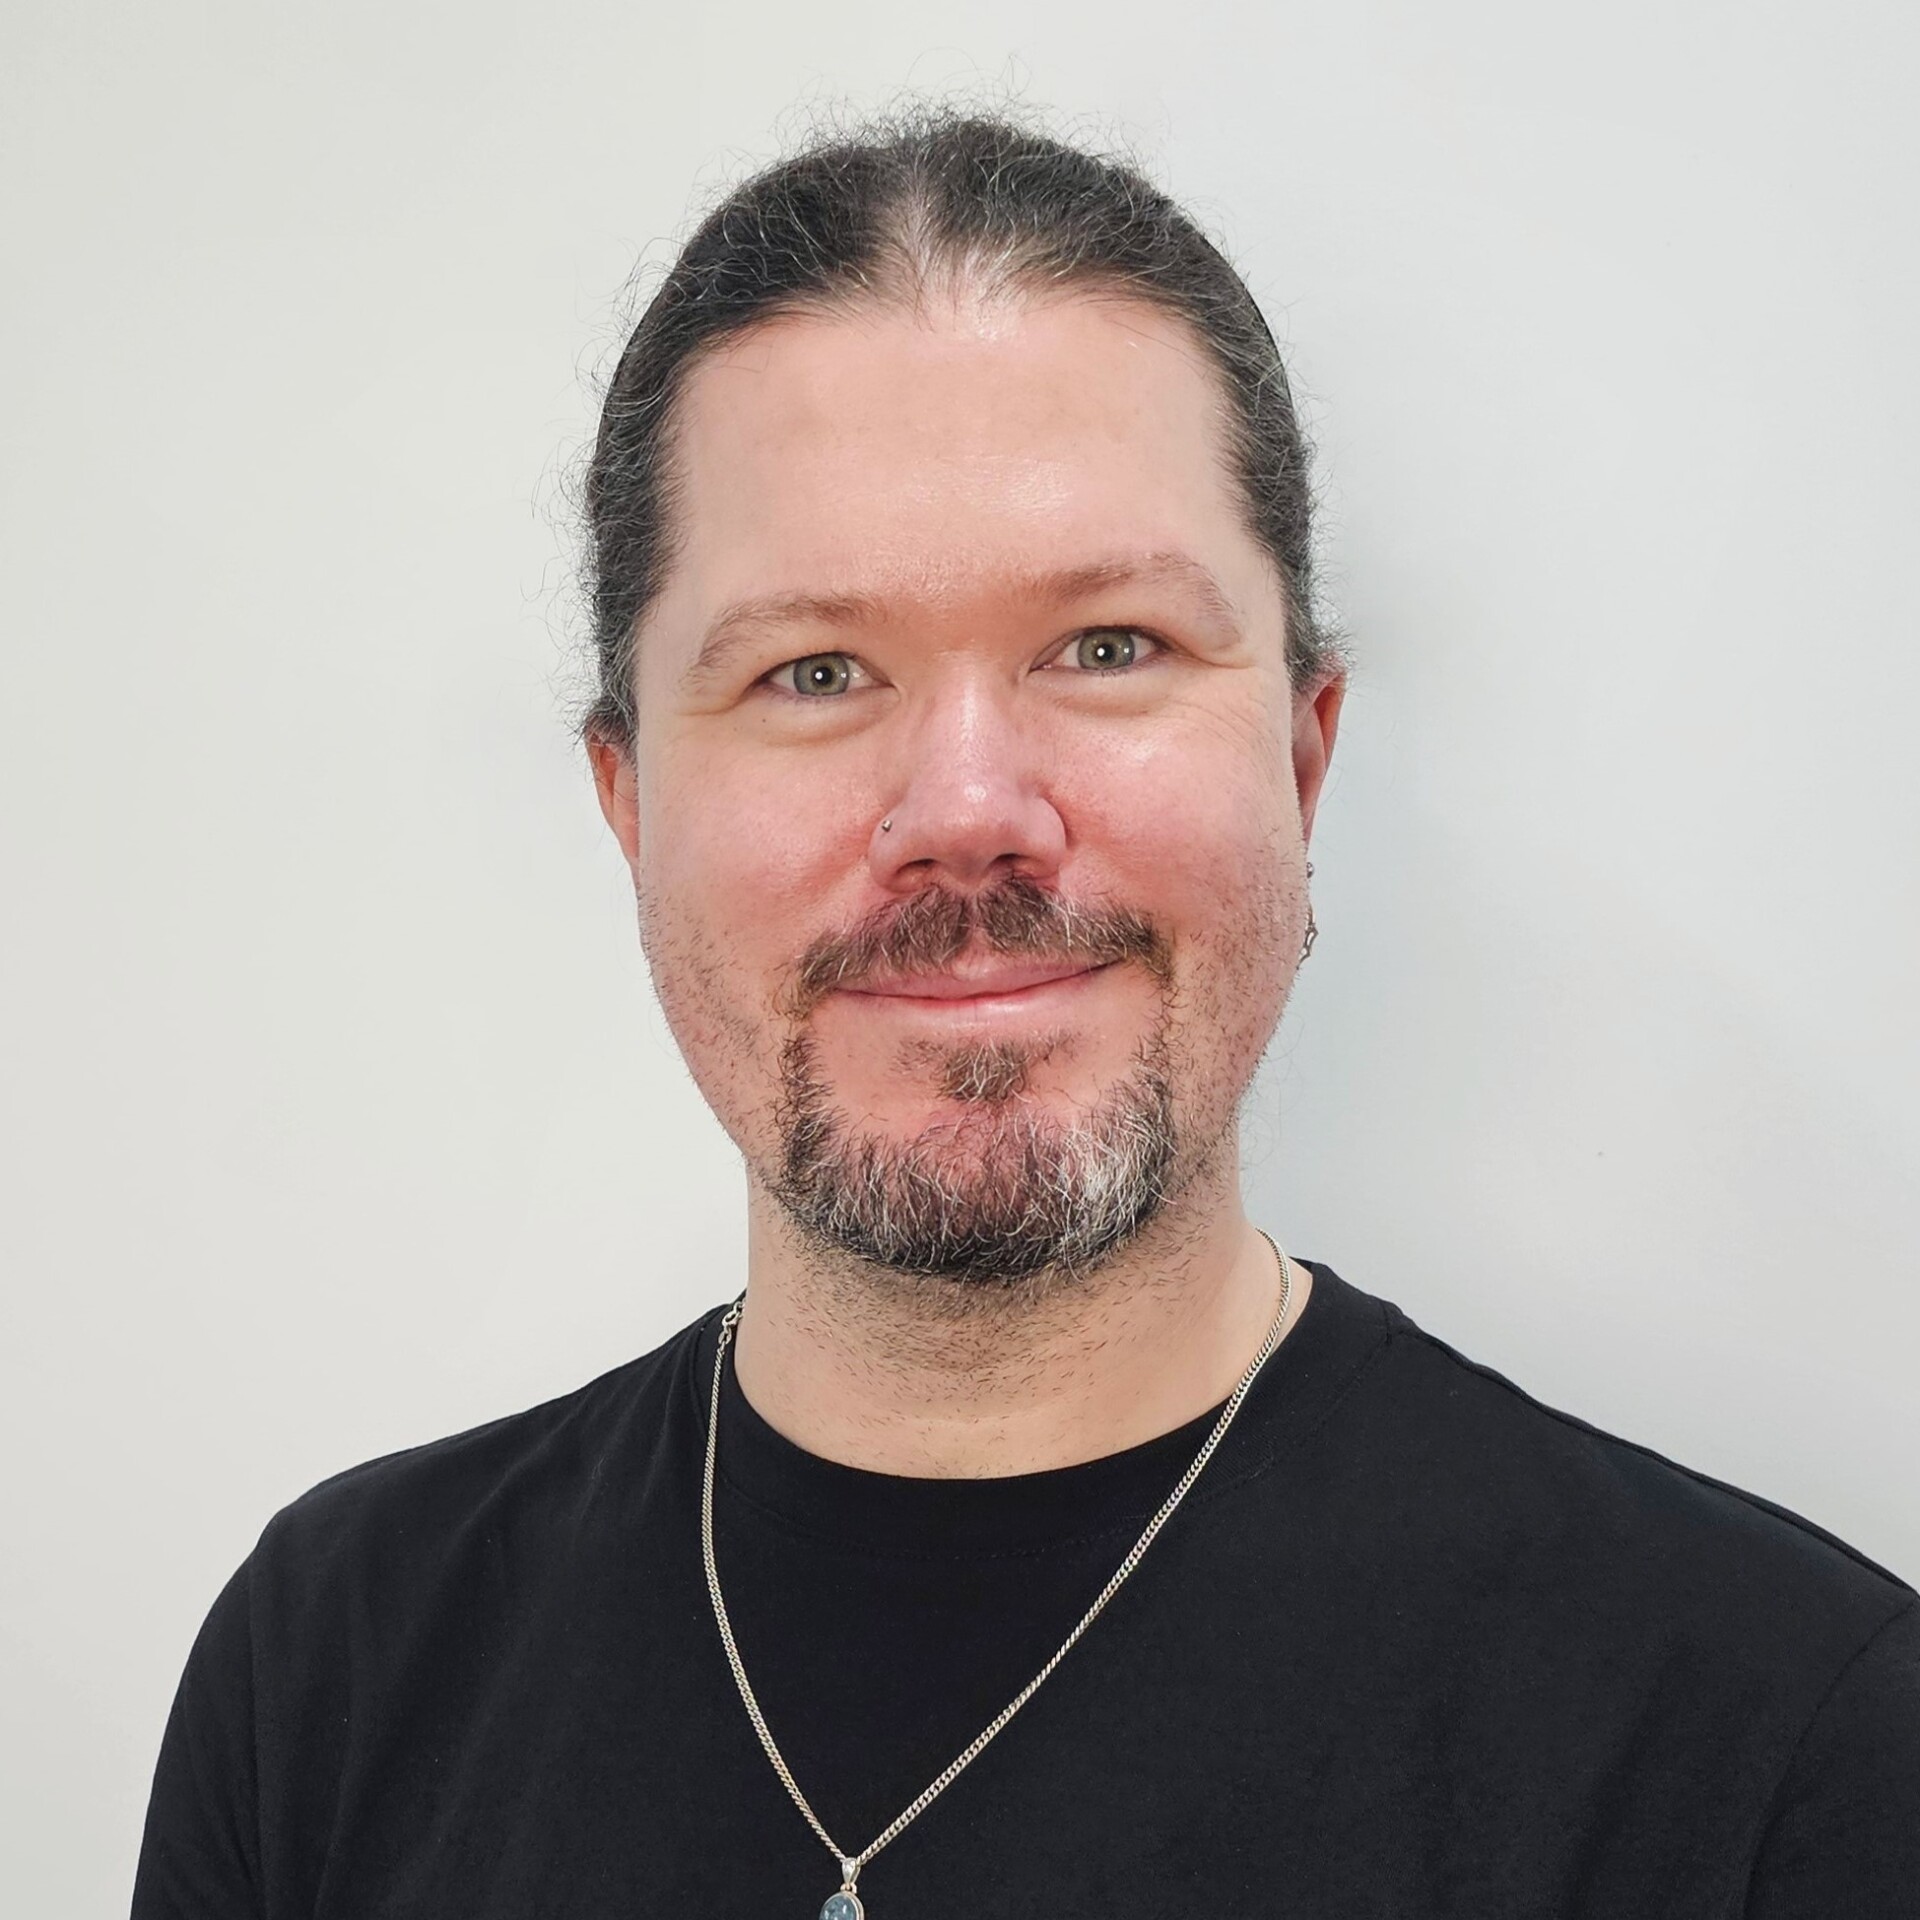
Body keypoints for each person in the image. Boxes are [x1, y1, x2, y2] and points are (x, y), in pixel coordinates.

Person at [133, 108, 1919, 1919]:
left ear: (1303, 758)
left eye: (1109, 647)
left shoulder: (1784, 1746)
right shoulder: (331, 1674)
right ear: (629, 802)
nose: (968, 806)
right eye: (812, 672)